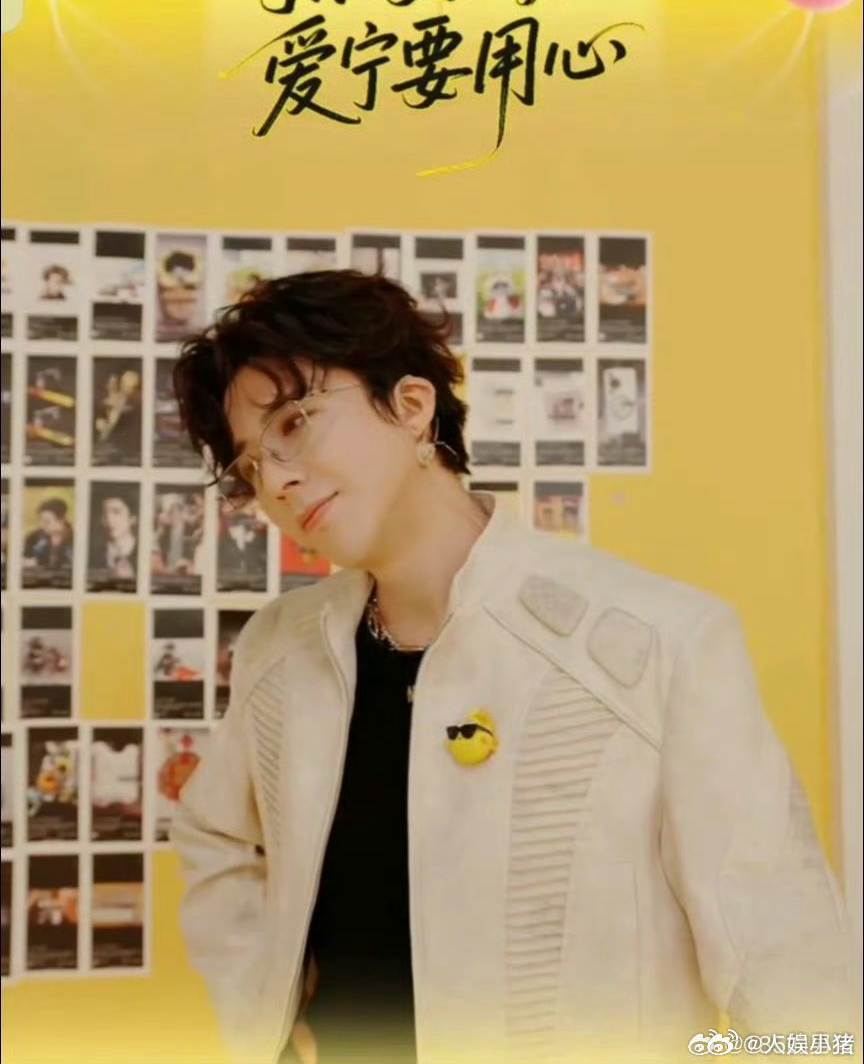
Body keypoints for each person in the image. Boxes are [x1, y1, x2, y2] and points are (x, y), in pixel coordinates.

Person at [169, 271, 852, 1064]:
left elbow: (791, 973)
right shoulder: (280, 651)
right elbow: (215, 837)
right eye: (252, 466)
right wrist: (265, 1025)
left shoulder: (659, 642)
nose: (278, 482)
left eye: (296, 421)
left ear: (411, 406)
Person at [22, 498, 74, 574]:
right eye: (41, 521)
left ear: (62, 520)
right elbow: (24, 560)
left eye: (47, 522)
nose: (42, 525)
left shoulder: (76, 539)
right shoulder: (33, 537)